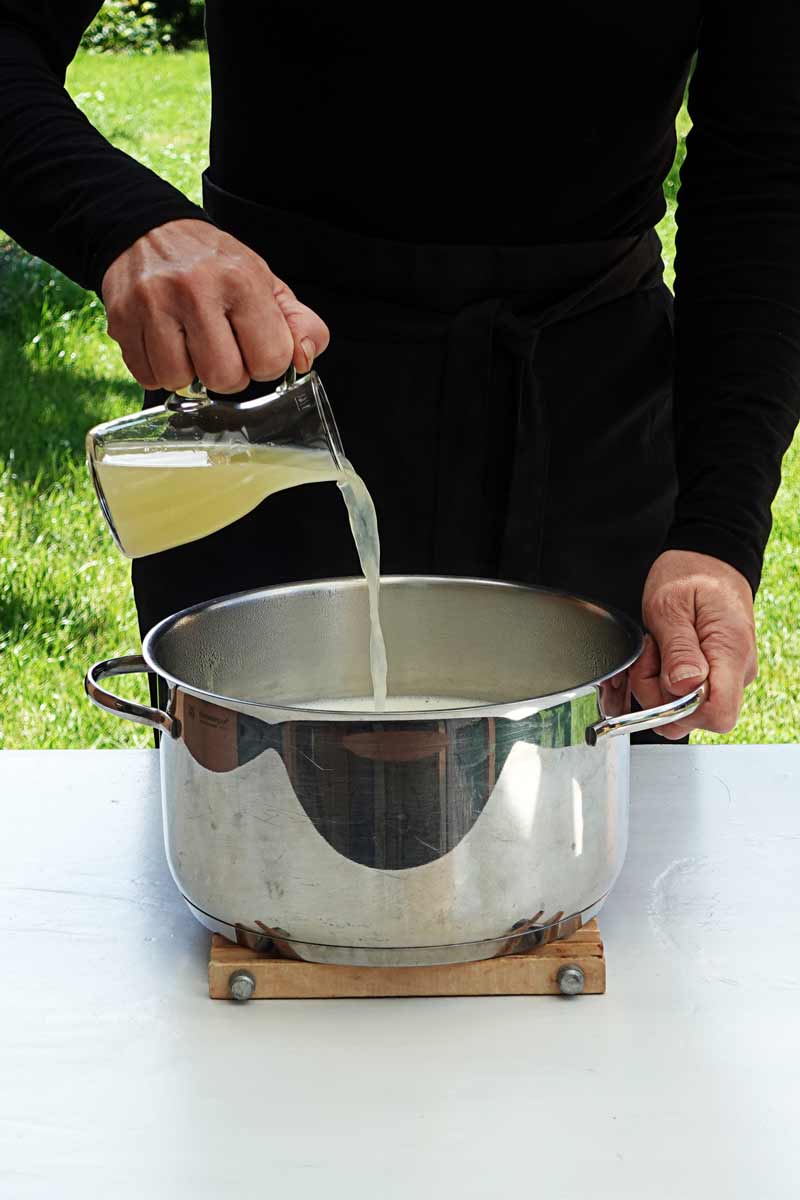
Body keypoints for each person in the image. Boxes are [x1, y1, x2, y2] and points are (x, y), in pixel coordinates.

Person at [2, 3, 797, 742]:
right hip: (276, 384)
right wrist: (125, 223)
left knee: (592, 846)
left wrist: (716, 533)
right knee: (260, 821)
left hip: (583, 417)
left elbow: (766, 175)